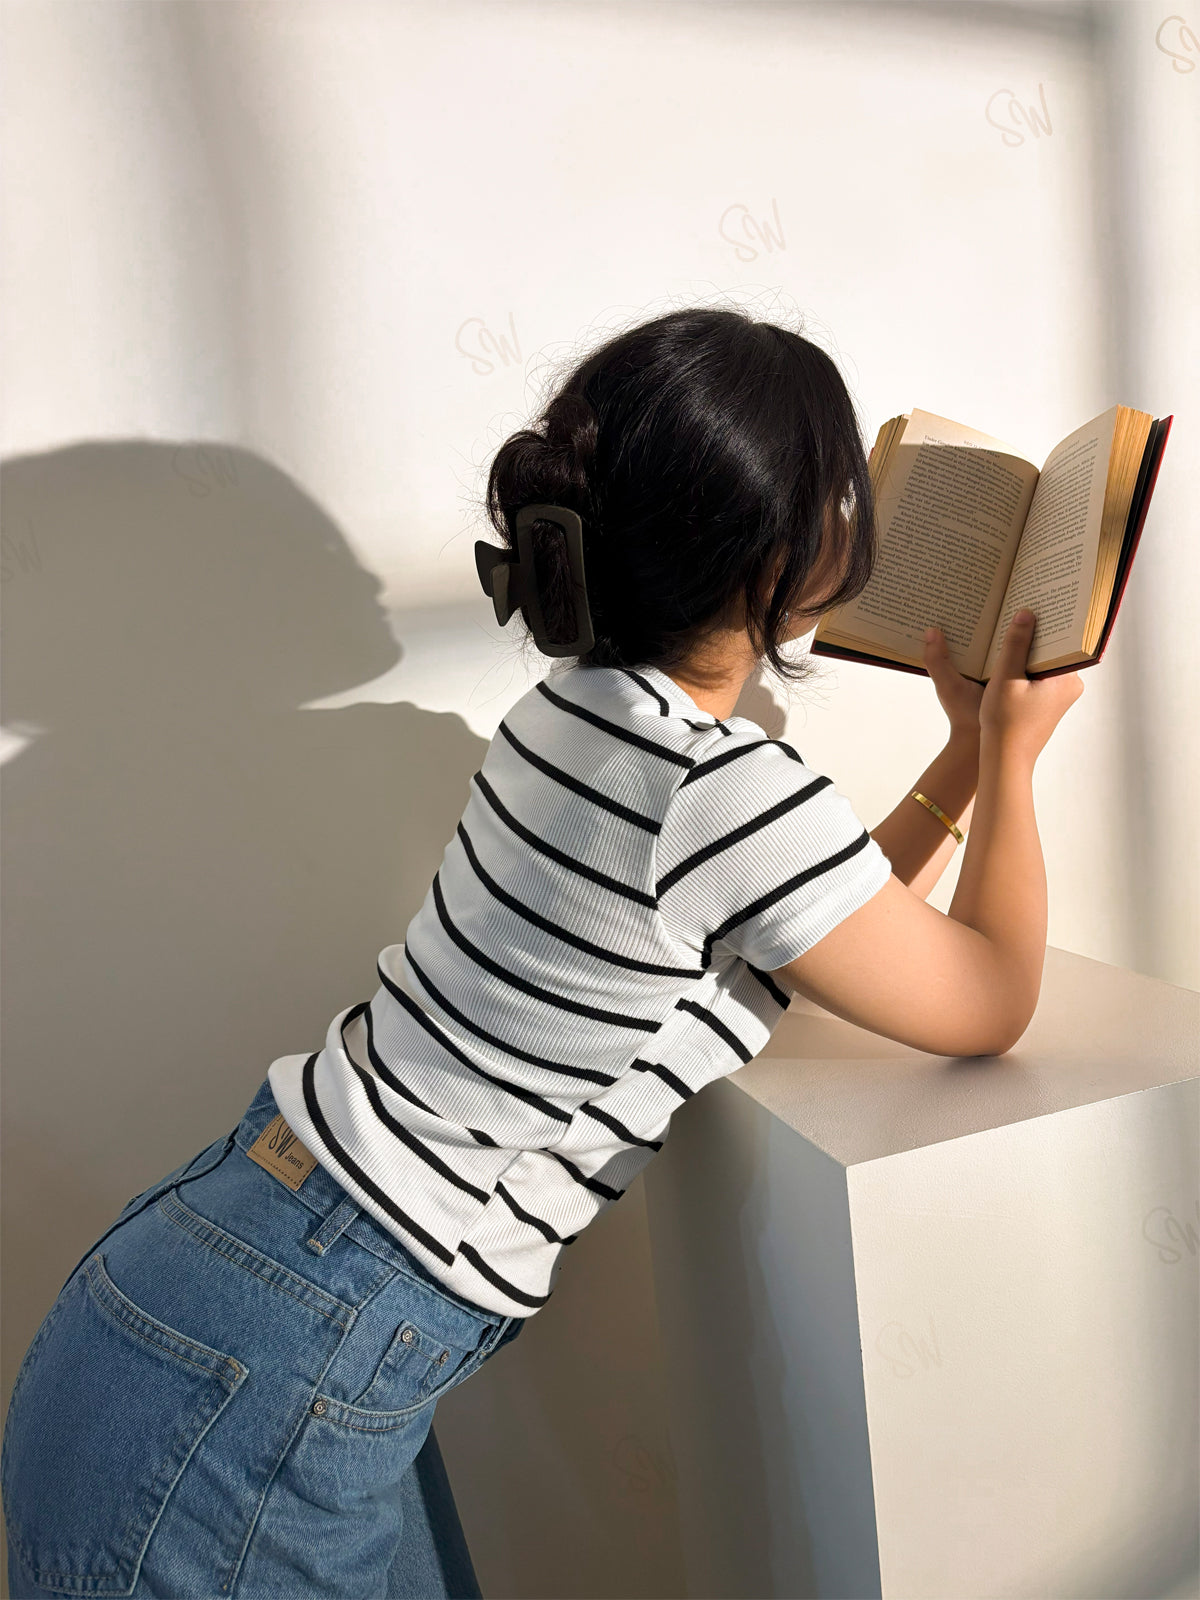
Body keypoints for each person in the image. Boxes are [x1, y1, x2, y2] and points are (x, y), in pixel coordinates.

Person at [0, 307, 1083, 1597]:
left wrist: (963, 753)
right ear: (783, 547)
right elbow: (989, 998)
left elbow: (822, 923)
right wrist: (1016, 758)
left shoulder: (576, 715)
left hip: (240, 1278)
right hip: (282, 1352)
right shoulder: (715, 785)